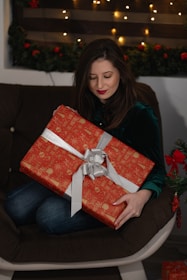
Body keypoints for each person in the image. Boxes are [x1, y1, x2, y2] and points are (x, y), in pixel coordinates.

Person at [4, 38, 166, 234]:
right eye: (92, 77)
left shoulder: (140, 114)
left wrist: (142, 196)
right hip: (74, 176)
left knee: (48, 216)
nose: (100, 84)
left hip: (108, 192)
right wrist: (64, 125)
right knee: (15, 206)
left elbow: (157, 170)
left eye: (107, 76)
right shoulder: (87, 102)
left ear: (121, 74)